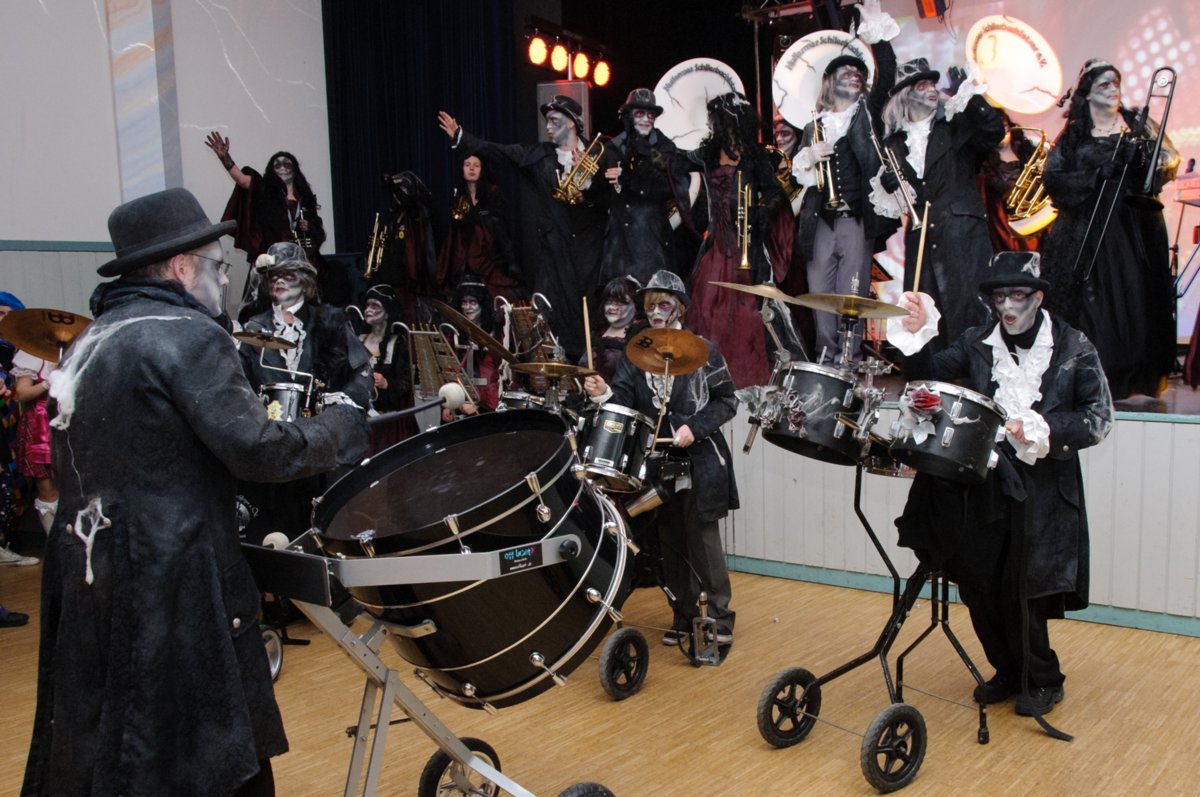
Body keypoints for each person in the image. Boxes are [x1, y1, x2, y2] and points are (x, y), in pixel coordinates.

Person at [22, 188, 368, 796]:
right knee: (207, 756)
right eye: (217, 265)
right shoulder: (188, 335)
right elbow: (259, 449)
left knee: (113, 741)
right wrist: (339, 425)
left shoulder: (89, 343)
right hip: (174, 581)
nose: (222, 279)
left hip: (88, 573)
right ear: (182, 267)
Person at [887, 251, 1112, 717]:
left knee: (1024, 587)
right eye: (999, 297)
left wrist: (1045, 428)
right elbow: (929, 374)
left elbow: (1098, 418)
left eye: (1017, 296)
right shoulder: (976, 342)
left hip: (1042, 489)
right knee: (977, 583)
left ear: (1038, 297)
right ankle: (1007, 671)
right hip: (983, 482)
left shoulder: (1073, 347)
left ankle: (1043, 678)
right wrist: (917, 331)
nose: (1007, 307)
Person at [583, 270, 738, 655]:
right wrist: (603, 395)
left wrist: (694, 428)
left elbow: (727, 400)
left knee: (704, 543)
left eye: (663, 304)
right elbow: (622, 400)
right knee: (669, 544)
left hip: (700, 461)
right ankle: (683, 616)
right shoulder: (636, 353)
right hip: (656, 464)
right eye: (650, 304)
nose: (655, 311)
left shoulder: (704, 350)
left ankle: (719, 618)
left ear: (679, 308)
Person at [1041, 59, 1179, 400]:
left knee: (1135, 296)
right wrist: (1096, 174)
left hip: (1133, 228)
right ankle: (1090, 375)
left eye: (1115, 82)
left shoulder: (1135, 123)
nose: (1112, 88)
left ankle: (1135, 372)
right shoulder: (1073, 135)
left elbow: (1168, 161)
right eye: (1103, 84)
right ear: (1087, 93)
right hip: (1087, 230)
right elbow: (1053, 179)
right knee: (1093, 302)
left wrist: (1144, 157)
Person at [438, 96, 611, 361]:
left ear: (572, 124)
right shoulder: (539, 155)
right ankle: (553, 371)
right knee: (549, 310)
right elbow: (498, 151)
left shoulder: (600, 153)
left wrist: (587, 189)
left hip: (588, 251)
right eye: (547, 122)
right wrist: (461, 137)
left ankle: (586, 369)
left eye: (555, 121)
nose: (549, 127)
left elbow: (609, 200)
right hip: (553, 250)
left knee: (585, 311)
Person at [238, 241, 372, 542]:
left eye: (289, 274)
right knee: (278, 526)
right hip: (275, 446)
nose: (280, 281)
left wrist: (344, 403)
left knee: (326, 525)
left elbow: (363, 372)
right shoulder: (253, 328)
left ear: (306, 280)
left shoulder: (330, 320)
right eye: (273, 276)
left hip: (321, 444)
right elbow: (239, 381)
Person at [792, 13, 898, 365]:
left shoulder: (866, 114)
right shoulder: (812, 126)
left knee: (851, 294)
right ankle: (826, 358)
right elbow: (799, 176)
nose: (855, 77)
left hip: (856, 219)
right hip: (821, 219)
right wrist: (808, 155)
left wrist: (877, 40)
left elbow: (885, 77)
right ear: (829, 81)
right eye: (846, 72)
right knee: (820, 293)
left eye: (859, 74)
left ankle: (849, 361)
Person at [678, 92, 800, 388]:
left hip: (748, 243)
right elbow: (675, 163)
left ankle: (749, 379)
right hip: (717, 242)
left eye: (716, 118)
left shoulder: (756, 157)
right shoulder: (706, 155)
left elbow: (774, 193)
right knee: (709, 309)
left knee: (749, 311)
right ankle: (707, 380)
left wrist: (761, 212)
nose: (712, 124)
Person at [878, 58, 1004, 342]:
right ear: (905, 94)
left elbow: (993, 133)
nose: (931, 89)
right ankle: (933, 381)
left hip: (963, 233)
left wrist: (971, 97)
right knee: (924, 313)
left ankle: (974, 377)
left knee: (970, 309)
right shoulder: (894, 143)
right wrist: (891, 186)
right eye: (921, 85)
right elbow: (904, 200)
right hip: (921, 234)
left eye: (933, 83)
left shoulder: (956, 125)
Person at [204, 133, 349, 314]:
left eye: (287, 164)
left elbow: (318, 230)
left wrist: (309, 227)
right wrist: (225, 158)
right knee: (267, 309)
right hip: (273, 260)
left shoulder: (304, 198)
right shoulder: (264, 190)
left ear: (294, 169)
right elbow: (242, 179)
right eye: (277, 164)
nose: (282, 167)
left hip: (303, 260)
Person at [598, 88, 688, 286]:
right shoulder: (614, 147)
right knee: (618, 301)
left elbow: (667, 188)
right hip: (618, 243)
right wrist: (590, 185)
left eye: (651, 114)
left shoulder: (664, 148)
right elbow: (603, 194)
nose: (646, 119)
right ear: (629, 116)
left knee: (651, 297)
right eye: (640, 113)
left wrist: (629, 178)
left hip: (650, 241)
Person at [437, 153, 521, 302]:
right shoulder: (459, 195)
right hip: (463, 252)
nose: (471, 169)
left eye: (476, 165)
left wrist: (478, 219)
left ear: (482, 169)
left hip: (489, 254)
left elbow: (502, 225)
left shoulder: (493, 192)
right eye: (467, 165)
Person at [353, 283, 415, 451]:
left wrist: (387, 383)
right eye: (367, 305)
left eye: (375, 306)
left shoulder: (398, 343)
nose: (368, 310)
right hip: (361, 418)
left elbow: (407, 382)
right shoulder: (359, 340)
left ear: (387, 312)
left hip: (389, 423)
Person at [371, 170, 438, 322]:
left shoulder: (417, 213)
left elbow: (410, 199)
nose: (397, 196)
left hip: (410, 278)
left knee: (410, 316)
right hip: (392, 276)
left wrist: (394, 182)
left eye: (401, 191)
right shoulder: (395, 215)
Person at [0, 292, 36, 568]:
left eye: (4, 314)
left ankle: (7, 542)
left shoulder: (26, 349)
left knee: (18, 482)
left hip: (17, 426)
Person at [978, 109, 1041, 254]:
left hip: (1042, 228)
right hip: (1010, 236)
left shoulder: (1029, 152)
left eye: (1003, 124)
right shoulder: (985, 168)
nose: (1001, 129)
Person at [11, 348, 57, 533]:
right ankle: (55, 547)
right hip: (40, 424)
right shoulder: (32, 352)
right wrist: (47, 383)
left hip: (66, 422)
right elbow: (21, 394)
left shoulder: (71, 349)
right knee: (46, 486)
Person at [582, 275, 644, 383]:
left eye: (619, 302)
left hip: (618, 398)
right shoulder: (596, 332)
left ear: (635, 305)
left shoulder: (641, 334)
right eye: (609, 301)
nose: (612, 307)